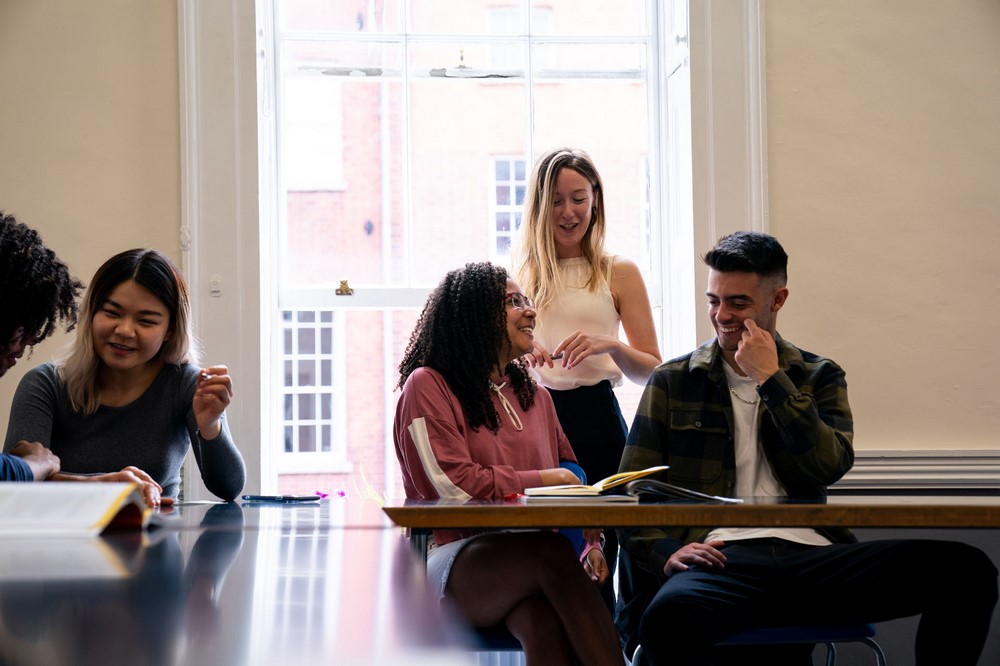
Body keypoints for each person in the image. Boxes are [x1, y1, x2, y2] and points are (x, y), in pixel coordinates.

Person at [616, 231, 998, 665]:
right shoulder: (673, 380)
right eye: (713, 300)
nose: (721, 315)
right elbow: (632, 491)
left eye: (737, 303)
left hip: (812, 557)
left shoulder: (819, 376)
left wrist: (772, 382)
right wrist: (667, 553)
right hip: (721, 559)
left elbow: (827, 465)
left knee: (968, 572)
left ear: (777, 300)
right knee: (668, 616)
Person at [394, 261, 624, 665]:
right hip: (451, 558)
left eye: (528, 300)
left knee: (542, 623)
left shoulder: (537, 396)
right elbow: (453, 487)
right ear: (476, 314)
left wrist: (590, 544)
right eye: (513, 302)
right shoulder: (428, 384)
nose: (530, 310)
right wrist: (545, 479)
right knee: (550, 554)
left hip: (531, 560)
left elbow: (574, 478)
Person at [514, 147, 662, 606]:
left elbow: (655, 371)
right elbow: (488, 370)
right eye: (556, 200)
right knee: (547, 552)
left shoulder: (619, 272)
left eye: (578, 198)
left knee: (608, 553)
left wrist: (612, 346)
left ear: (595, 199)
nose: (568, 211)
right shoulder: (519, 274)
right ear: (539, 207)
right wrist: (517, 356)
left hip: (598, 417)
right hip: (534, 421)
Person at [3, 248, 246, 505]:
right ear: (92, 313)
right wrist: (110, 486)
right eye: (112, 313)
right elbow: (15, 486)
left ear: (169, 330)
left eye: (146, 321)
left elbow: (228, 489)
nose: (125, 330)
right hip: (61, 539)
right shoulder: (44, 384)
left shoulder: (188, 385)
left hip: (155, 539)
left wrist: (210, 427)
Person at [0, 211, 81, 481]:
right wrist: (36, 464)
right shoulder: (44, 381)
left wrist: (97, 483)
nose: (21, 350)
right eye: (20, 329)